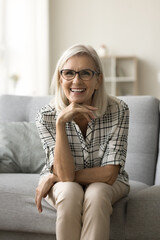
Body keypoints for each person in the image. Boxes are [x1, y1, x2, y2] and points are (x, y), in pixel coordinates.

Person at [35, 44, 130, 240]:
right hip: (65, 183)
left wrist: (56, 177)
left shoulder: (118, 110)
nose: (76, 80)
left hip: (110, 183)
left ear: (98, 80)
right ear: (61, 79)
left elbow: (109, 174)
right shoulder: (46, 116)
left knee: (97, 193)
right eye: (69, 73)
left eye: (85, 73)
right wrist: (61, 122)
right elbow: (66, 178)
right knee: (69, 191)